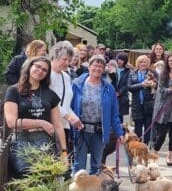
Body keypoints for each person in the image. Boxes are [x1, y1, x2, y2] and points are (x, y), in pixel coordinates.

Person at [4, 56, 68, 178]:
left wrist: (64, 152)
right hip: (23, 144)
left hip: (45, 144)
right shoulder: (13, 91)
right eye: (37, 66)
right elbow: (12, 122)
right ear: (29, 67)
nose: (40, 71)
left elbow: (58, 126)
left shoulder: (50, 94)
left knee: (45, 184)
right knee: (25, 183)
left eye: (44, 70)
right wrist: (40, 123)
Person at [71, 55, 124, 175]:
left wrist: (120, 132)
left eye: (101, 66)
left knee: (96, 165)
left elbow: (114, 113)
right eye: (95, 65)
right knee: (79, 165)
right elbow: (70, 107)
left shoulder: (108, 88)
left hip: (99, 131)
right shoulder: (77, 84)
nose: (98, 68)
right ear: (89, 67)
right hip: (81, 130)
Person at [49, 41, 84, 174]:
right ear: (55, 56)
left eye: (69, 60)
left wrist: (76, 119)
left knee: (64, 163)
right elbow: (53, 103)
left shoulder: (66, 77)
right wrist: (69, 117)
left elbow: (66, 103)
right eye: (64, 59)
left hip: (65, 127)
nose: (67, 63)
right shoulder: (47, 75)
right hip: (51, 124)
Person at [128, 55, 157, 144]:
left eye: (145, 62)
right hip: (137, 104)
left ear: (147, 63)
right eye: (141, 62)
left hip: (149, 104)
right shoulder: (132, 73)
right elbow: (129, 87)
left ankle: (146, 144)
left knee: (148, 126)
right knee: (138, 126)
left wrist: (153, 84)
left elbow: (158, 84)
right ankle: (138, 144)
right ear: (138, 63)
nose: (143, 64)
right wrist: (141, 85)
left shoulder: (153, 73)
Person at [114, 53, 131, 122]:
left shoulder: (127, 71)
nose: (120, 61)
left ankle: (120, 132)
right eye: (119, 59)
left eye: (122, 60)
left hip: (122, 97)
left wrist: (119, 93)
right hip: (112, 94)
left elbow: (127, 85)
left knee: (120, 117)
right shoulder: (113, 69)